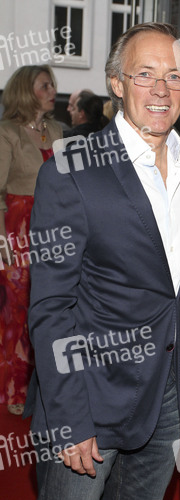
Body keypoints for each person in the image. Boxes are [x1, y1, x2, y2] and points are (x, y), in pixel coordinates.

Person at [18, 22, 180, 500]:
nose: (161, 89)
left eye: (175, 76)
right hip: (90, 400)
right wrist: (71, 419)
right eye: (145, 74)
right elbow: (50, 307)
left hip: (167, 399)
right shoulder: (69, 169)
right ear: (117, 83)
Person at [0, 65, 62, 416]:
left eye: (52, 84)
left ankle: (44, 390)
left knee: (48, 311)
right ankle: (14, 390)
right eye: (44, 85)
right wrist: (2, 243)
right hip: (16, 230)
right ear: (26, 91)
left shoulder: (57, 130)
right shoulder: (6, 132)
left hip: (54, 228)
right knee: (17, 312)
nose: (53, 90)